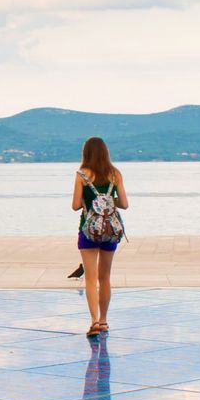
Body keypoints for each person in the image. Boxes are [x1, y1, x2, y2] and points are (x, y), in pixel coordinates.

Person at [71, 137, 128, 337]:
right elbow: (124, 204)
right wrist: (108, 199)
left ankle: (94, 321)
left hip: (88, 231)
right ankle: (104, 321)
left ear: (86, 153)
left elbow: (75, 205)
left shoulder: (81, 175)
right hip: (110, 231)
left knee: (91, 278)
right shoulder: (115, 174)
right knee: (105, 278)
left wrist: (92, 199)